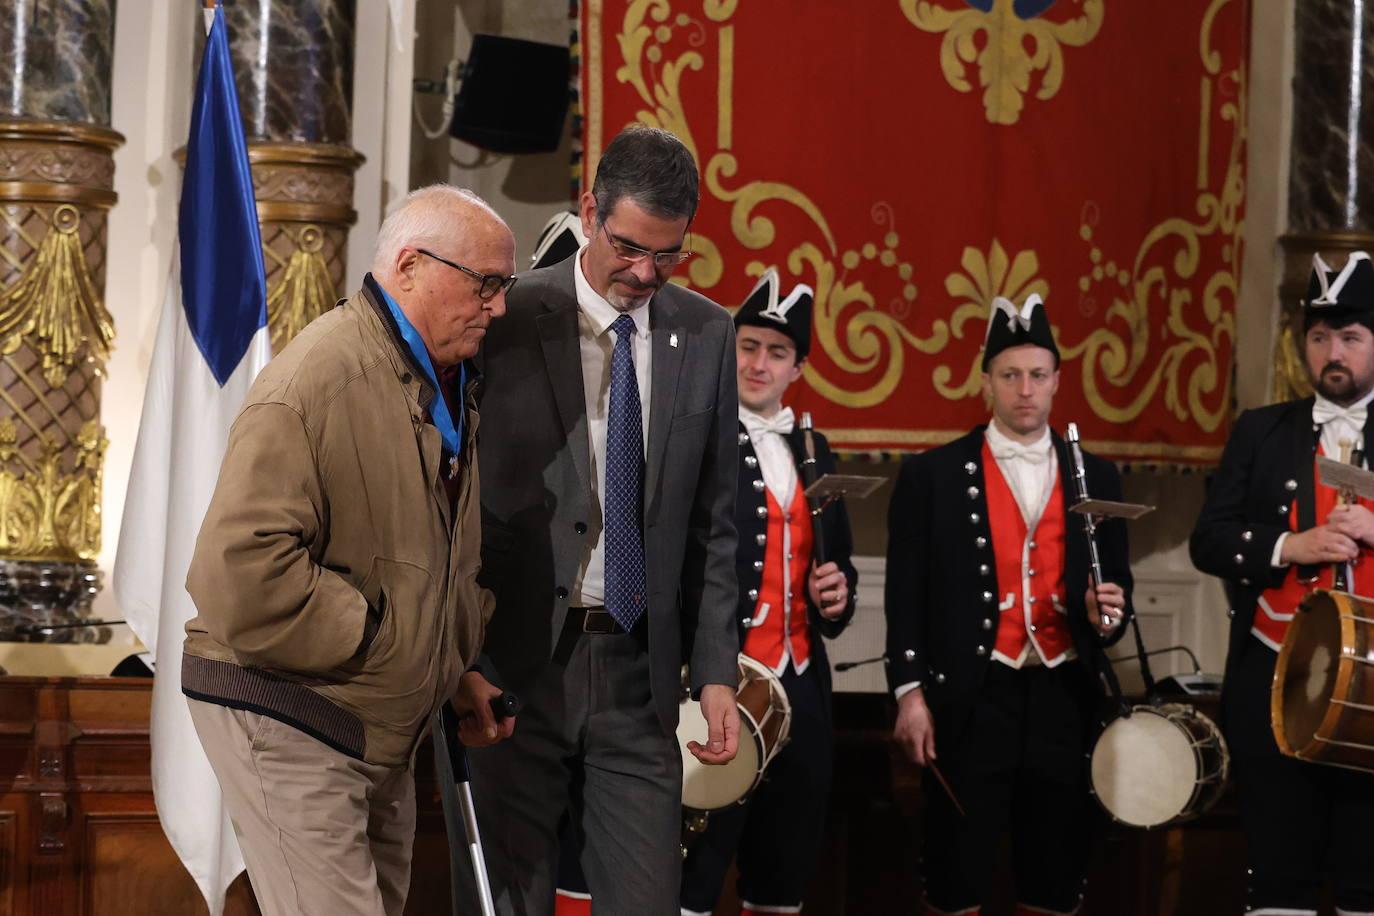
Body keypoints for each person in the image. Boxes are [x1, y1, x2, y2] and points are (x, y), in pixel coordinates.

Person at [181, 185, 516, 916]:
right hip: (296, 709)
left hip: (379, 720)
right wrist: (384, 637)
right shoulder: (321, 376)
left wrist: (450, 666)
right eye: (484, 284)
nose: (497, 307)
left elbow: (412, 556)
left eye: (504, 286)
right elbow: (240, 570)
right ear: (408, 268)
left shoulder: (442, 381)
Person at [453, 125, 741, 916]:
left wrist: (717, 671)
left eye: (668, 255)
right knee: (513, 901)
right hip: (514, 667)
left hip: (638, 674)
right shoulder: (507, 315)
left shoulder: (708, 333)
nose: (645, 272)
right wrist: (463, 657)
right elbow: (452, 499)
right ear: (589, 210)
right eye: (628, 248)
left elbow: (718, 519)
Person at [551, 267, 860, 916]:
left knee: (784, 866)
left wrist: (838, 593)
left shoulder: (815, 448)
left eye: (777, 353)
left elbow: (833, 567)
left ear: (797, 368)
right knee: (693, 867)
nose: (758, 363)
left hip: (799, 681)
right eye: (748, 345)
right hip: (715, 678)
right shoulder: (693, 432)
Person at [884, 293, 1132, 916]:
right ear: (986, 381)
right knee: (955, 869)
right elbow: (904, 595)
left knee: (1053, 871)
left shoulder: (1097, 476)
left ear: (1057, 381)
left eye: (1038, 375)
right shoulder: (933, 475)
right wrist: (909, 693)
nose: (1026, 389)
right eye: (1010, 375)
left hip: (1063, 693)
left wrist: (1110, 612)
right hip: (971, 693)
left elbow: (1115, 597)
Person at [1190, 252, 1374, 915]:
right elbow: (1208, 539)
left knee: (1367, 879)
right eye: (1320, 336)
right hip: (1276, 681)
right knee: (1279, 877)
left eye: (1351, 337)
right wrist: (1289, 545)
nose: (1333, 352)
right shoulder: (1261, 431)